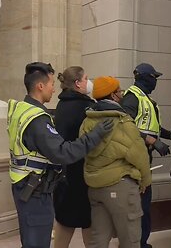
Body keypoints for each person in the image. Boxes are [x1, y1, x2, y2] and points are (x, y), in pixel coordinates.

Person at [7, 62, 114, 248]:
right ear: (40, 86)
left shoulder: (20, 109)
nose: (54, 88)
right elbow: (63, 152)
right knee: (37, 242)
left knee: (32, 239)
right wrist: (95, 135)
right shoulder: (37, 118)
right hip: (35, 190)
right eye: (50, 84)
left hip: (24, 185)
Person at [80, 76, 151, 248]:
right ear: (113, 96)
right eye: (119, 91)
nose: (122, 94)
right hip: (120, 187)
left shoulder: (87, 121)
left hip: (95, 186)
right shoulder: (122, 121)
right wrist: (145, 180)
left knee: (98, 239)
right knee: (130, 239)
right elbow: (139, 154)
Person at [120, 63, 171, 248]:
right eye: (154, 78)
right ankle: (137, 243)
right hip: (134, 161)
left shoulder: (145, 99)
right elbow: (125, 126)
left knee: (143, 205)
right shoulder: (132, 98)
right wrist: (153, 142)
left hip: (143, 158)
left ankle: (141, 242)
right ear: (144, 77)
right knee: (139, 206)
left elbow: (153, 127)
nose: (155, 81)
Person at [53, 66, 95, 248]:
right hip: (81, 173)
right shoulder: (85, 107)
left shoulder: (62, 104)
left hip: (63, 174)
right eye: (86, 78)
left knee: (65, 220)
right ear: (78, 83)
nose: (89, 81)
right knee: (89, 221)